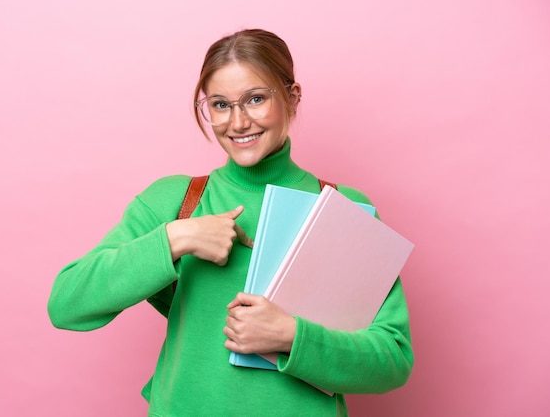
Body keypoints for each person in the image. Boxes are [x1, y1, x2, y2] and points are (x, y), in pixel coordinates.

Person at [48, 28, 413, 416]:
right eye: (220, 105)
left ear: (292, 97)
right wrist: (176, 238)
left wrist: (291, 336)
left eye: (255, 99)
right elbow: (67, 305)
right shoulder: (176, 202)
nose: (238, 122)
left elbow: (392, 360)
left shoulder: (345, 208)